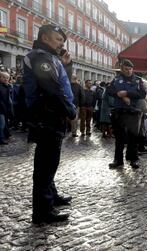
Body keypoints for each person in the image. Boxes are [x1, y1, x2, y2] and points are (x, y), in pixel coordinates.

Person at [23, 24, 77, 224]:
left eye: (63, 41)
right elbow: (52, 88)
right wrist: (70, 110)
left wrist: (67, 65)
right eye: (57, 39)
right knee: (46, 165)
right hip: (47, 116)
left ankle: (51, 196)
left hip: (51, 115)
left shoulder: (50, 57)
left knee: (49, 163)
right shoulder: (40, 57)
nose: (61, 44)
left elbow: (63, 82)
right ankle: (42, 211)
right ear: (44, 38)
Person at [107, 59, 146, 169]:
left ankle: (133, 159)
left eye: (130, 69)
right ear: (121, 69)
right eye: (126, 69)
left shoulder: (138, 80)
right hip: (119, 111)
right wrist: (120, 95)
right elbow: (109, 91)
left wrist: (127, 93)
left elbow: (142, 94)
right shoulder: (116, 79)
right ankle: (118, 160)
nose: (128, 71)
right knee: (119, 138)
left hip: (133, 112)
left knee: (133, 137)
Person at [0, 71, 12, 144]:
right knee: (1, 124)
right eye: (4, 77)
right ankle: (1, 139)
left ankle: (3, 136)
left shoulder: (6, 86)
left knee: (3, 124)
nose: (6, 79)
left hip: (4, 108)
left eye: (7, 78)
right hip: (1, 109)